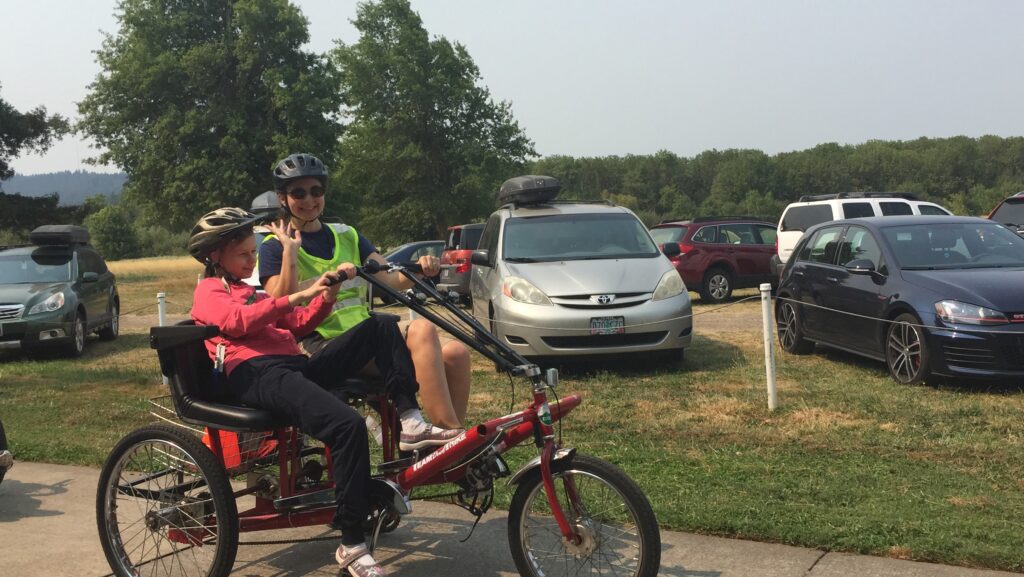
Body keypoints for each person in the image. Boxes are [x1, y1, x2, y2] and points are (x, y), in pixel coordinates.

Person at [188, 207, 453, 577]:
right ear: (215, 256)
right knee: (347, 426)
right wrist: (299, 294)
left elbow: (298, 324)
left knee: (380, 326)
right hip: (257, 374)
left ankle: (409, 419)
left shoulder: (250, 291)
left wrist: (326, 296)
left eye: (253, 252)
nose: (251, 260)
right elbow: (237, 322)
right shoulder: (209, 291)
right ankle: (352, 544)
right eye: (243, 254)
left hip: (293, 366)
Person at [258, 153, 471, 429]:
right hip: (321, 344)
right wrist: (290, 253)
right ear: (282, 198)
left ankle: (450, 443)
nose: (309, 200)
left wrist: (420, 269)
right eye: (298, 193)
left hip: (368, 332)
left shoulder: (347, 234)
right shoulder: (273, 246)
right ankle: (451, 435)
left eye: (316, 191)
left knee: (455, 352)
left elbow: (389, 280)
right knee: (417, 332)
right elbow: (278, 303)